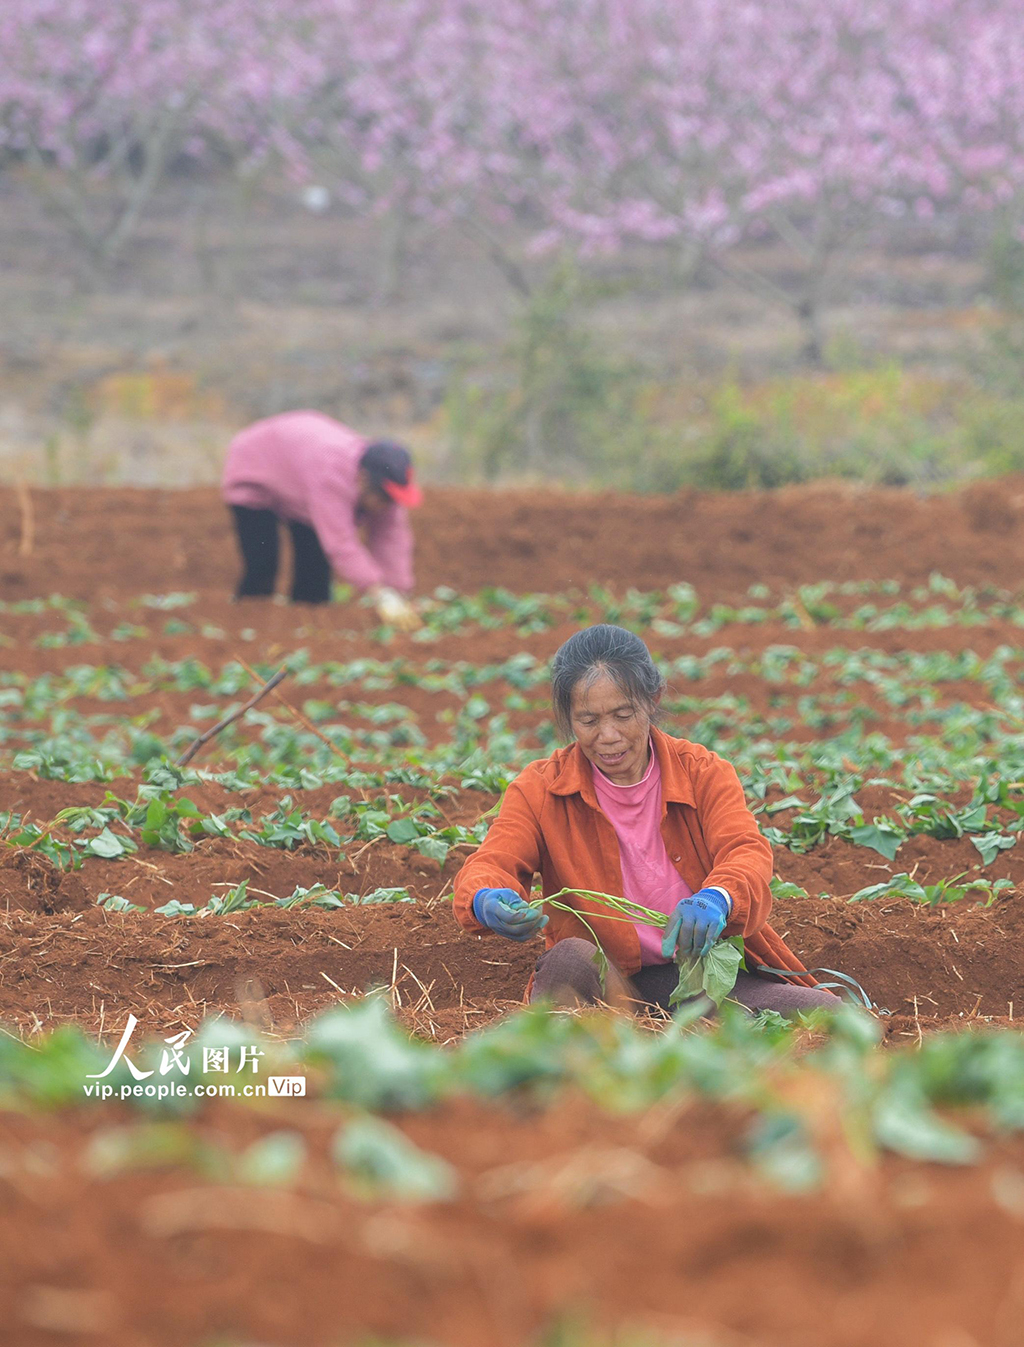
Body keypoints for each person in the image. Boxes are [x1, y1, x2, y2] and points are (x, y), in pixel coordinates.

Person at [454, 624, 843, 1017]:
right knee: (568, 960)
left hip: (699, 978)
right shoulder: (541, 789)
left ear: (652, 700)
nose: (608, 736)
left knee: (830, 1019)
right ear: (568, 716)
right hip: (607, 982)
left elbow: (745, 853)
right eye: (588, 721)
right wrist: (487, 898)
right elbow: (493, 862)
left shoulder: (703, 772)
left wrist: (718, 898)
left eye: (623, 715)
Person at [221, 411, 422, 629]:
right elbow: (340, 542)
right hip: (255, 469)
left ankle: (303, 635)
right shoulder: (332, 475)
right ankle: (246, 630)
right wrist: (378, 592)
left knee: (314, 585)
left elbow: (392, 538)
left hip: (300, 484)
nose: (387, 505)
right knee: (263, 567)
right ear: (363, 479)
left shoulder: (382, 486)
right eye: (383, 497)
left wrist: (399, 592)